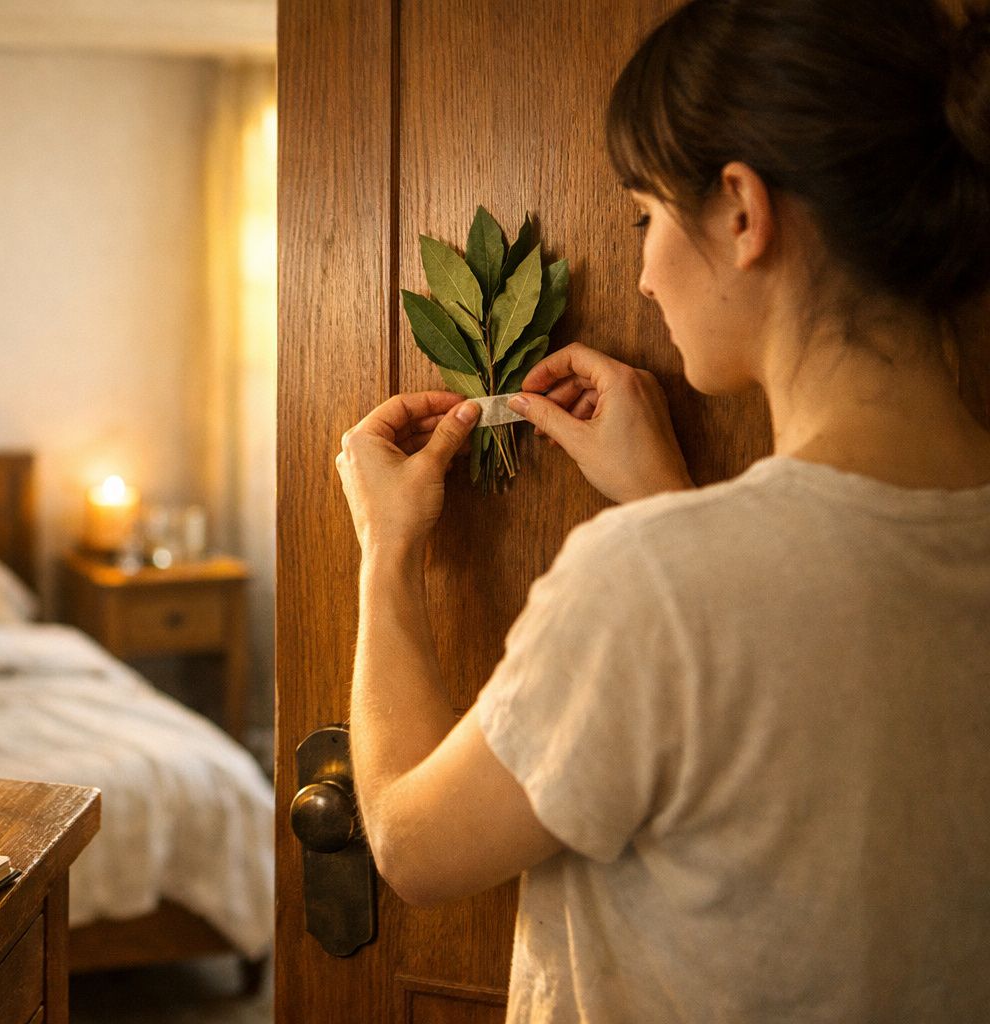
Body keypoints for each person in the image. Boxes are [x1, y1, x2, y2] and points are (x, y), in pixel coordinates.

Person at [333, 0, 990, 1019]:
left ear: (739, 210)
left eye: (644, 215)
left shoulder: (648, 585)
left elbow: (414, 846)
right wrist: (667, 502)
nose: (638, 274)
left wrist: (385, 548)